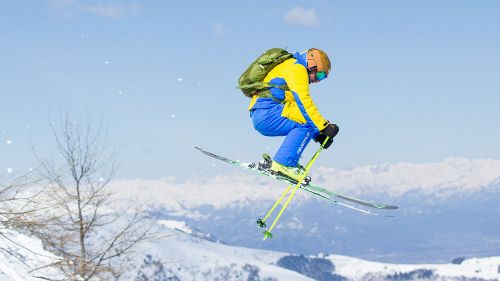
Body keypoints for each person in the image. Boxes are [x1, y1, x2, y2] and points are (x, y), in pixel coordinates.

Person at [248, 48, 339, 182]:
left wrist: (317, 134)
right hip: (267, 112)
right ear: (312, 64)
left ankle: (284, 161)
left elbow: (297, 110)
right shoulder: (298, 69)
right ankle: (284, 163)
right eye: (319, 75)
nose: (317, 81)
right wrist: (324, 127)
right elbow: (304, 102)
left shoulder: (292, 66)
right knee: (306, 122)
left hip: (263, 112)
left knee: (306, 122)